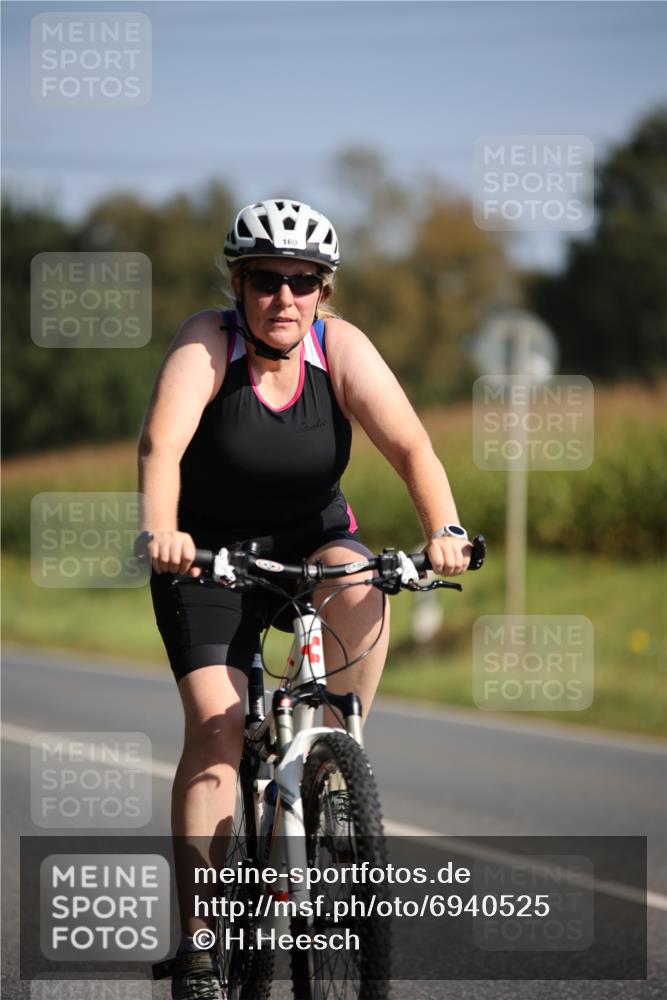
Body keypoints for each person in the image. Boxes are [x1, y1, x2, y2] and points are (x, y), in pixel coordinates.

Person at [138, 198, 471, 999]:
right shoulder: (205, 344)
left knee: (360, 580)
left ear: (323, 290)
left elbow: (410, 444)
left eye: (303, 281)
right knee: (217, 729)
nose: (284, 298)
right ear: (238, 284)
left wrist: (445, 528)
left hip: (309, 538)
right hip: (205, 557)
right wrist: (162, 532)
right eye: (265, 281)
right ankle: (200, 944)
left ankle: (330, 764)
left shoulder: (339, 346)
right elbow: (162, 445)